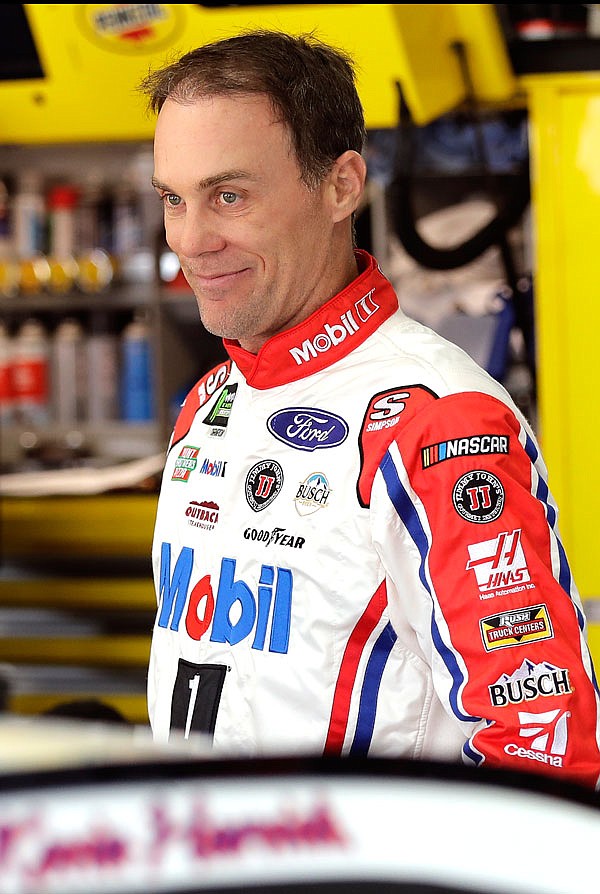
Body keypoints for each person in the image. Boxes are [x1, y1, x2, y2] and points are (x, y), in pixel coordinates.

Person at [138, 29, 600, 787]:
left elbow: (545, 748)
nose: (192, 240)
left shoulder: (438, 421)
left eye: (229, 195)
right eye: (172, 199)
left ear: (342, 185)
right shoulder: (211, 404)